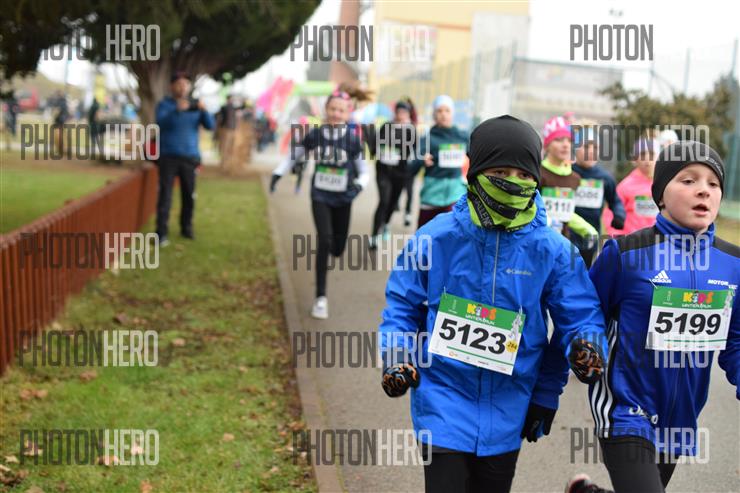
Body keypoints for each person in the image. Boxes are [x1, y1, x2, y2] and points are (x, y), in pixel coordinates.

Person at [379, 115, 608, 493]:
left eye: (523, 175)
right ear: (475, 173)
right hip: (442, 397)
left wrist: (579, 354)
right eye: (500, 172)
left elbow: (580, 316)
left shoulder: (554, 250)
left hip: (509, 406)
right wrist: (397, 355)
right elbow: (402, 306)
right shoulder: (436, 237)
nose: (512, 182)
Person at [566, 141, 739, 493]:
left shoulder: (732, 264)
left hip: (680, 416)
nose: (703, 190)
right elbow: (585, 309)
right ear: (660, 195)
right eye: (688, 180)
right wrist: (584, 344)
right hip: (626, 407)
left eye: (713, 183)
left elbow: (734, 339)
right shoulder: (626, 253)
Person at [270, 90, 369, 319]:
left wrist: (358, 187)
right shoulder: (315, 135)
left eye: (341, 110)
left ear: (347, 114)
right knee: (324, 240)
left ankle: (336, 247)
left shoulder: (353, 140)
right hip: (320, 196)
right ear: (326, 109)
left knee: (338, 247)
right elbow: (293, 156)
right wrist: (278, 173)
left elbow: (364, 171)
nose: (336, 114)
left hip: (344, 198)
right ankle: (320, 297)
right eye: (332, 109)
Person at [155, 71, 215, 246]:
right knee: (165, 195)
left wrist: (204, 110)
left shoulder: (195, 106)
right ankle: (161, 232)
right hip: (168, 156)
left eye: (185, 84)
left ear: (189, 86)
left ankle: (186, 228)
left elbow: (210, 126)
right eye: (179, 84)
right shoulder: (164, 105)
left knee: (188, 195)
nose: (182, 87)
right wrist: (176, 110)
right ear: (172, 86)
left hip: (190, 157)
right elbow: (159, 123)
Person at [408, 95, 469, 229]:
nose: (443, 114)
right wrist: (421, 160)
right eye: (439, 111)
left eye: (447, 110)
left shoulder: (463, 137)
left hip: (455, 195)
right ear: (434, 114)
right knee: (424, 236)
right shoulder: (427, 138)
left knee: (452, 236)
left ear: (452, 113)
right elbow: (411, 168)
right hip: (431, 196)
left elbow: (478, 159)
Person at [539, 115, 598, 251]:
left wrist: (588, 229)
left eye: (569, 140)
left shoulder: (574, 179)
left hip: (562, 243)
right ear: (547, 144)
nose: (565, 144)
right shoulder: (536, 173)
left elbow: (566, 213)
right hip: (537, 243)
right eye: (559, 139)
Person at [571, 125, 626, 267]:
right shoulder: (567, 173)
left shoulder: (604, 178)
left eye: (595, 147)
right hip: (567, 235)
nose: (591, 151)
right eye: (586, 146)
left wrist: (619, 215)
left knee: (586, 271)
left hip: (592, 237)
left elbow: (615, 201)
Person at [366, 100, 417, 248]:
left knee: (392, 202)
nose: (401, 114)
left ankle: (386, 223)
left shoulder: (411, 130)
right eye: (399, 111)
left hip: (400, 173)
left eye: (404, 112)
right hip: (383, 170)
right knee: (383, 201)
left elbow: (415, 151)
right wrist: (376, 150)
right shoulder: (386, 126)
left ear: (408, 114)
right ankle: (374, 235)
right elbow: (375, 143)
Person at [603, 138, 660, 236]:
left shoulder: (665, 183)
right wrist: (617, 236)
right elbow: (611, 212)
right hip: (633, 240)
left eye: (651, 154)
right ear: (635, 159)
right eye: (642, 154)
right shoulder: (625, 186)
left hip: (659, 240)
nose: (647, 159)